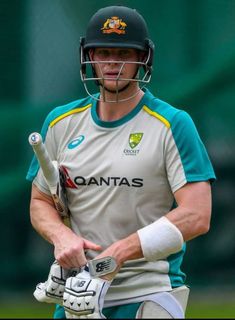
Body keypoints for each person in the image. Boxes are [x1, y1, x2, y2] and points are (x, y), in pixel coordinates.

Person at [26, 5, 216, 319]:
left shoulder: (172, 124)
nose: (113, 62)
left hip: (149, 292)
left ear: (143, 59)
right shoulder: (59, 123)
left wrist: (117, 253)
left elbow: (197, 215)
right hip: (78, 294)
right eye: (103, 52)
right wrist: (62, 237)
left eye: (124, 53)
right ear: (89, 56)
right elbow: (40, 201)